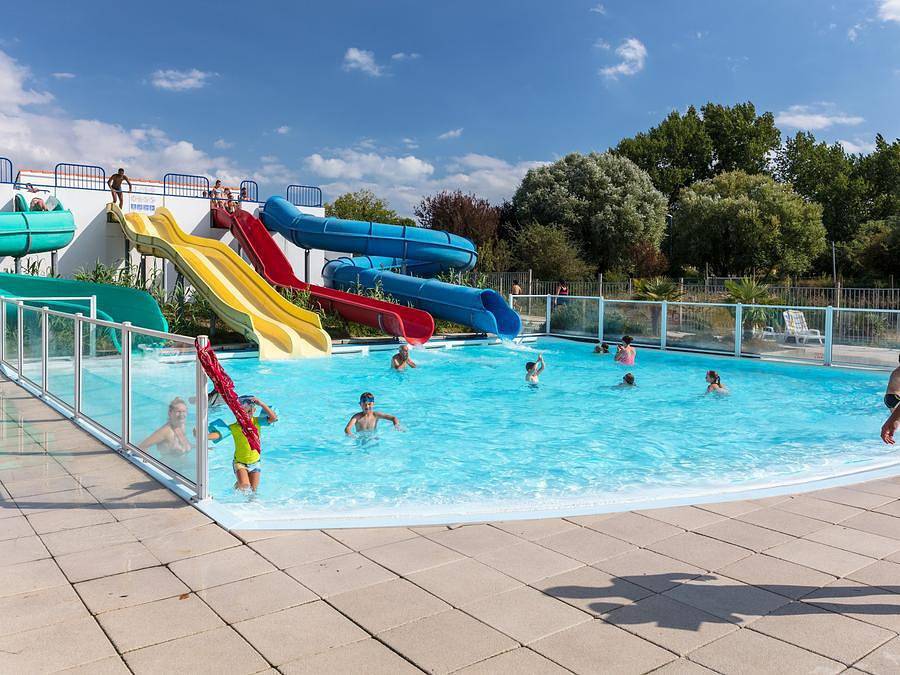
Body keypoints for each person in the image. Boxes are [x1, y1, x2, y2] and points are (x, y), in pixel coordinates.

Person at [208, 395, 278, 492]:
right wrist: (203, 436)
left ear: (254, 411)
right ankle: (240, 484)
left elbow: (273, 418)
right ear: (236, 414)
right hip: (240, 462)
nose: (246, 415)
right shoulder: (235, 427)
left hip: (255, 462)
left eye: (249, 412)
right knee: (245, 486)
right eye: (242, 413)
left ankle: (238, 486)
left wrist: (261, 403)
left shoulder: (257, 422)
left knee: (253, 490)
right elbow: (219, 434)